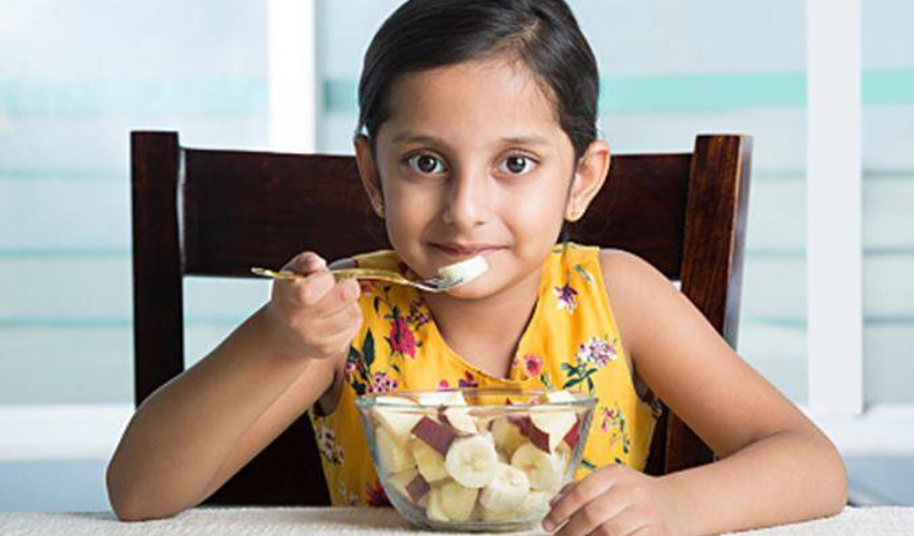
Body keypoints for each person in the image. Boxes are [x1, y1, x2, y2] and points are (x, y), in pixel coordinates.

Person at [106, 0, 847, 534]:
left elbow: (812, 465)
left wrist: (676, 506)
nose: (466, 209)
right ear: (371, 175)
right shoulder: (346, 316)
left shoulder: (618, 297)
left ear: (582, 178)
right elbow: (139, 493)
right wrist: (278, 342)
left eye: (515, 163)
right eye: (425, 162)